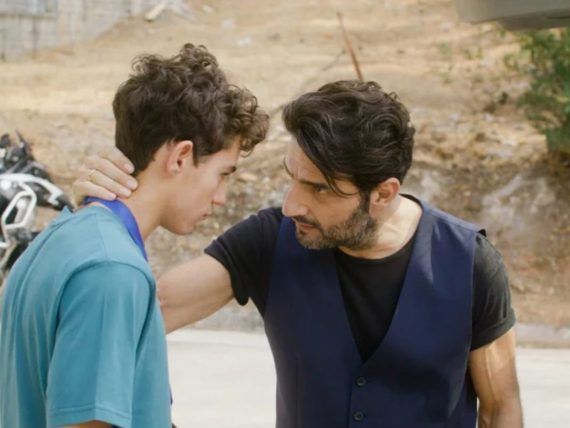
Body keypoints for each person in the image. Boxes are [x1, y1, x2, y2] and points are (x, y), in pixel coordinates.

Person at [75, 80, 522, 427]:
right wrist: (105, 212)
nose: (291, 205)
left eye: (318, 189)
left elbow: (500, 408)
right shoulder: (270, 240)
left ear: (383, 194)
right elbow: (141, 313)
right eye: (292, 178)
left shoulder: (470, 264)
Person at [0, 43, 268, 428]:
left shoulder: (59, 237)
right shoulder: (112, 269)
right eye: (222, 174)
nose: (221, 197)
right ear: (180, 157)